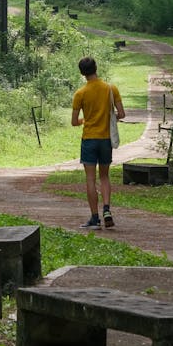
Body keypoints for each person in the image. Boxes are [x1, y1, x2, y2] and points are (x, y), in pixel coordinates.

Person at [71, 56, 125, 229]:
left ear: (82, 73)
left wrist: (84, 121)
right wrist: (109, 118)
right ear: (96, 68)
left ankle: (94, 218)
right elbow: (121, 114)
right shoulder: (111, 89)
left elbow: (74, 121)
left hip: (89, 139)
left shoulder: (80, 93)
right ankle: (107, 209)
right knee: (104, 176)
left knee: (90, 179)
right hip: (105, 140)